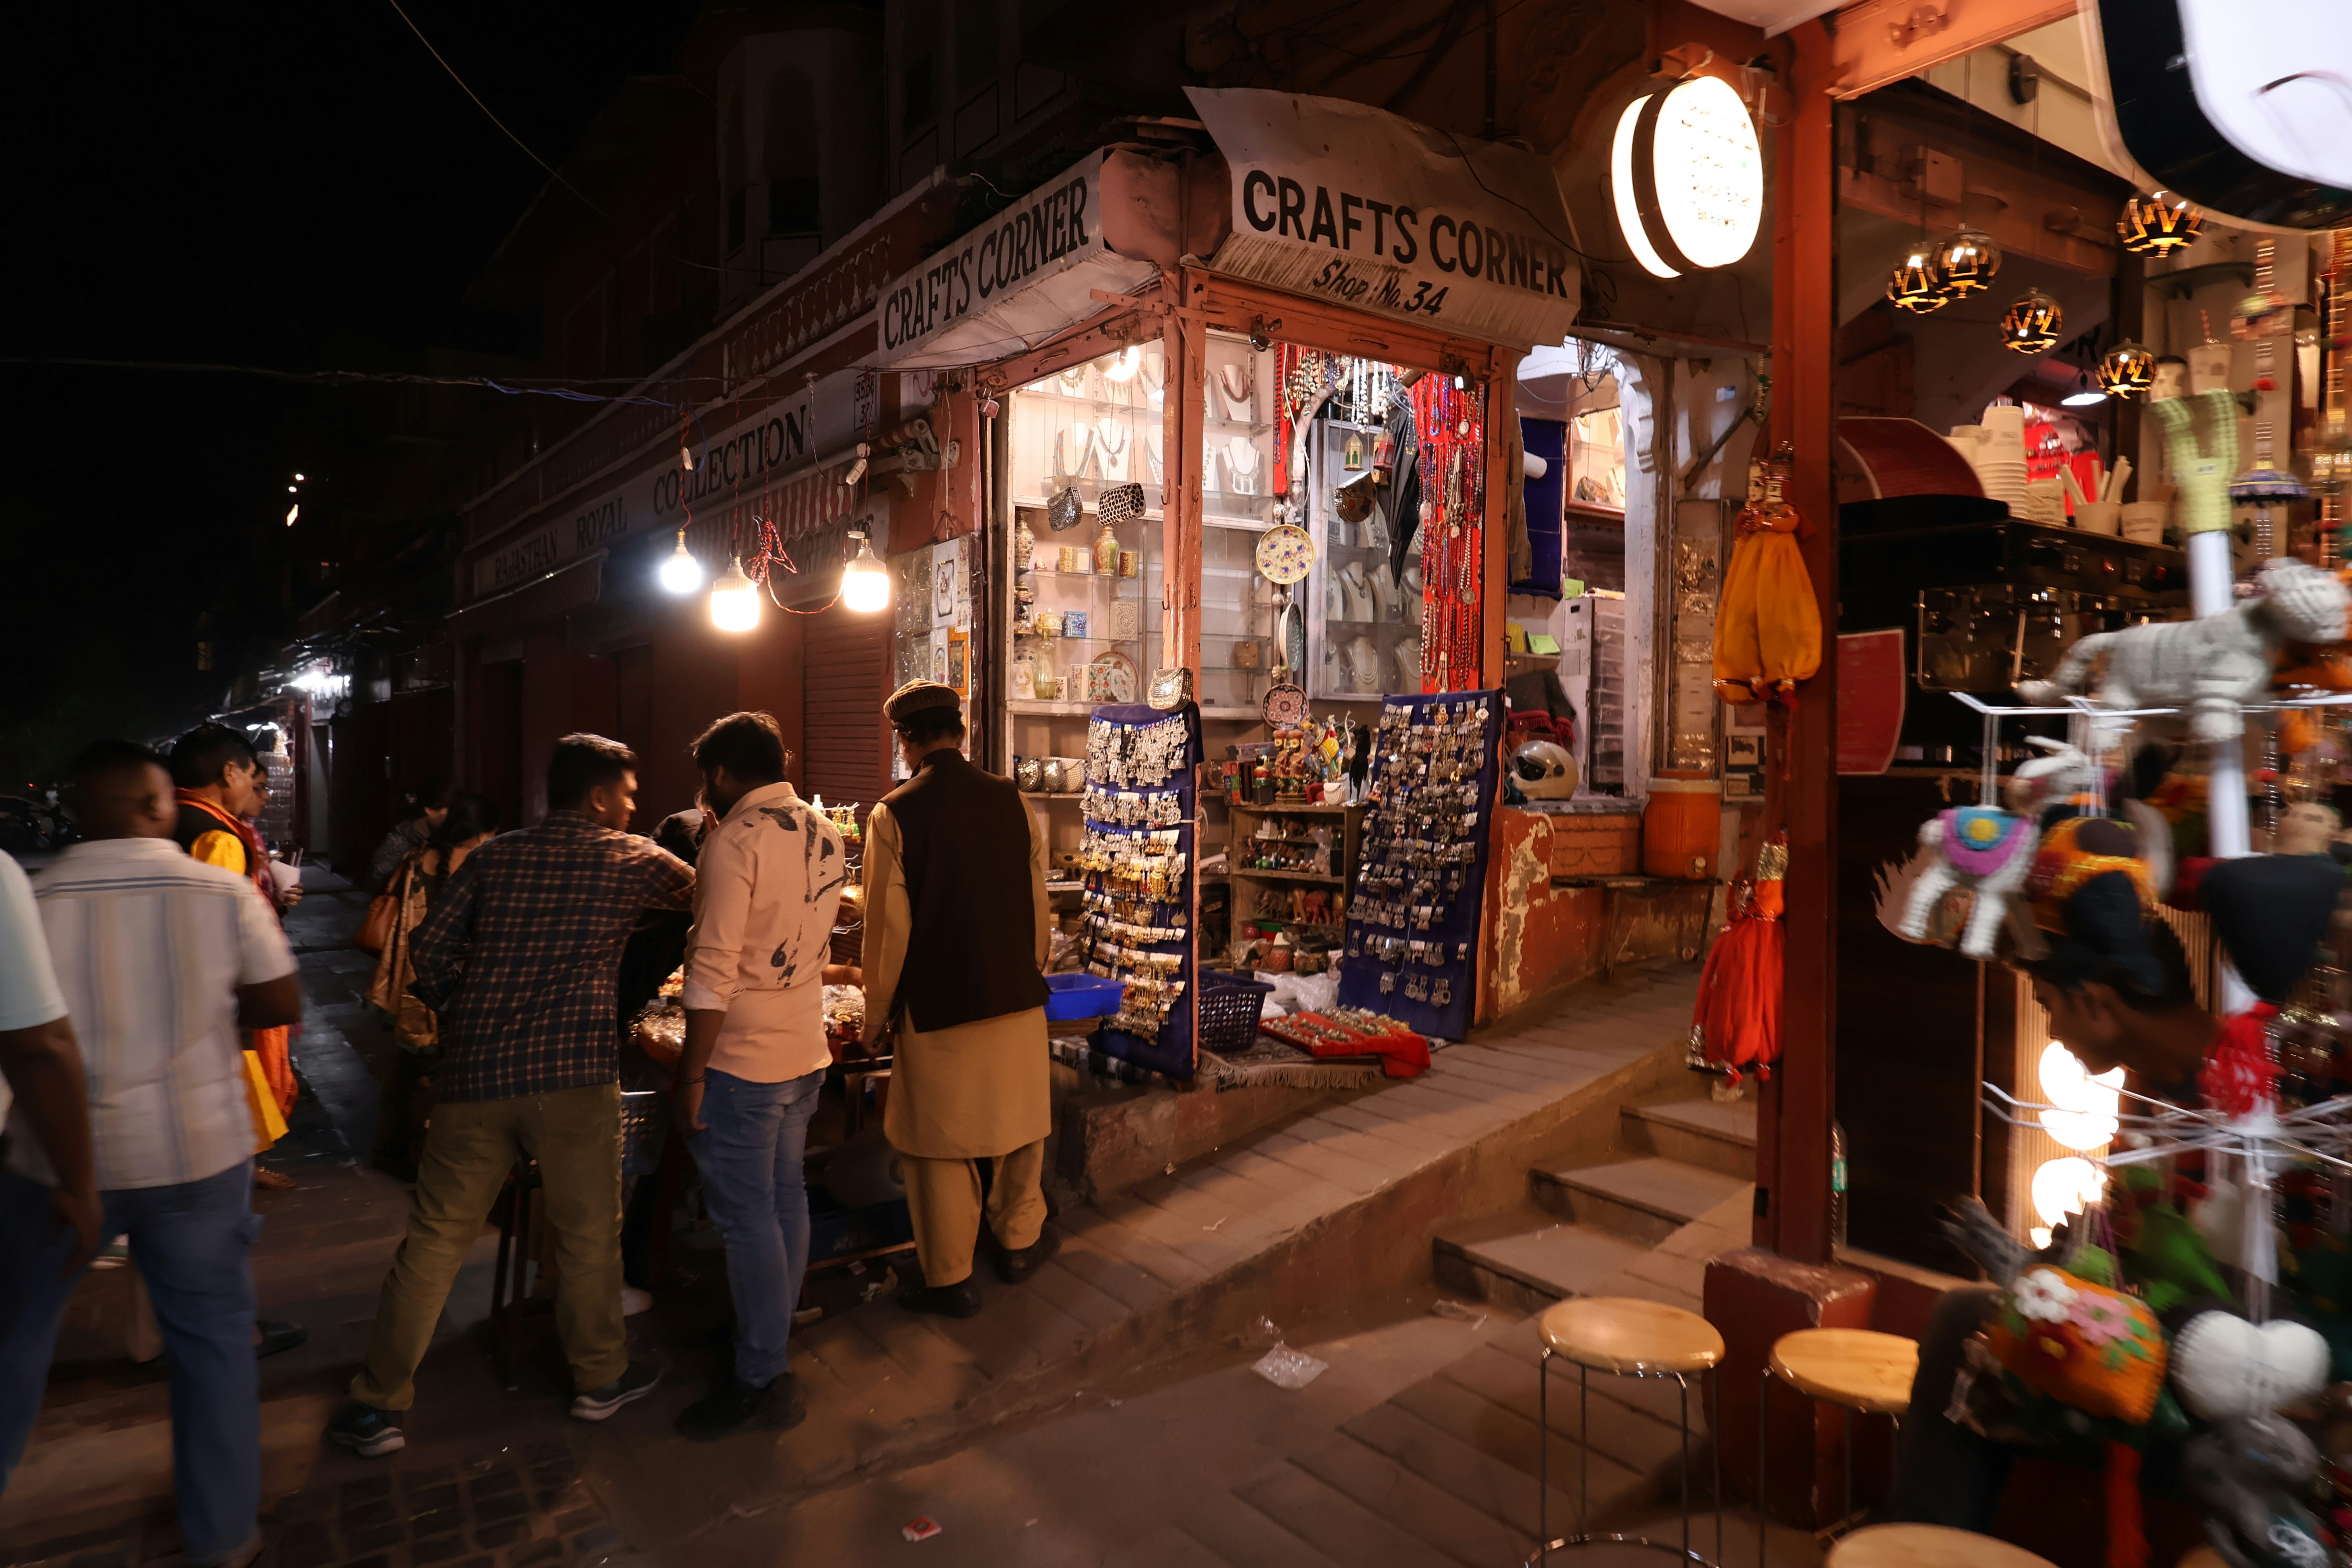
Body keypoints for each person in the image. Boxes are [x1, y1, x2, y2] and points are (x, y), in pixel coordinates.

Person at [326, 735, 693, 1457]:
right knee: (589, 1237)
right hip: (574, 1078)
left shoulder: (494, 855)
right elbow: (709, 891)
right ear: (597, 797)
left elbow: (427, 950)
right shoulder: (630, 858)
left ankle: (376, 1406)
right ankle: (599, 1379)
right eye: (627, 792)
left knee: (432, 1241)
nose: (633, 804)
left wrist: (467, 1008)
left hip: (474, 1078)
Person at [0, 740, 303, 1568]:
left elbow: (22, 1040)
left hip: (58, 1163)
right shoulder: (215, 888)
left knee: (16, 1336)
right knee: (210, 1345)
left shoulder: (32, 895)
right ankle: (224, 1533)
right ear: (155, 801)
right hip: (198, 1152)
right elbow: (279, 997)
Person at [668, 713, 846, 1438]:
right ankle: (769, 1335)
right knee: (783, 1200)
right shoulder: (825, 829)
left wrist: (691, 1073)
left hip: (743, 1061)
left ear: (720, 776)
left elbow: (710, 973)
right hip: (805, 1049)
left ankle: (760, 1374)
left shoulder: (734, 842)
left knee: (748, 1221)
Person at [859, 682, 1056, 1318]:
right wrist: (1029, 971)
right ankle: (1020, 1244)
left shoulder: (893, 814)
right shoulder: (1012, 799)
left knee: (936, 1144)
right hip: (1017, 998)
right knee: (1020, 1126)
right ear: (962, 734)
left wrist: (875, 1013)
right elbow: (1037, 906)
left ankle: (949, 1277)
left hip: (939, 1007)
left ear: (906, 742)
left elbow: (889, 932)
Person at [169, 723, 299, 1187]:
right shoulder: (219, 837)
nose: (252, 788)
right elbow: (218, 931)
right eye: (249, 776)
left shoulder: (174, 818)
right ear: (229, 772)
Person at [365, 793, 501, 1178]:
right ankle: (429, 1159)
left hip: (410, 976)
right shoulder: (480, 864)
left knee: (404, 1067)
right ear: (483, 834)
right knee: (439, 1075)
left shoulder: (418, 858)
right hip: (453, 981)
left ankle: (390, 1151)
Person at [367, 777, 458, 894]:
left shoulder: (447, 836)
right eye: (451, 811)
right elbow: (377, 883)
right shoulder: (399, 842)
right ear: (430, 810)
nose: (455, 818)